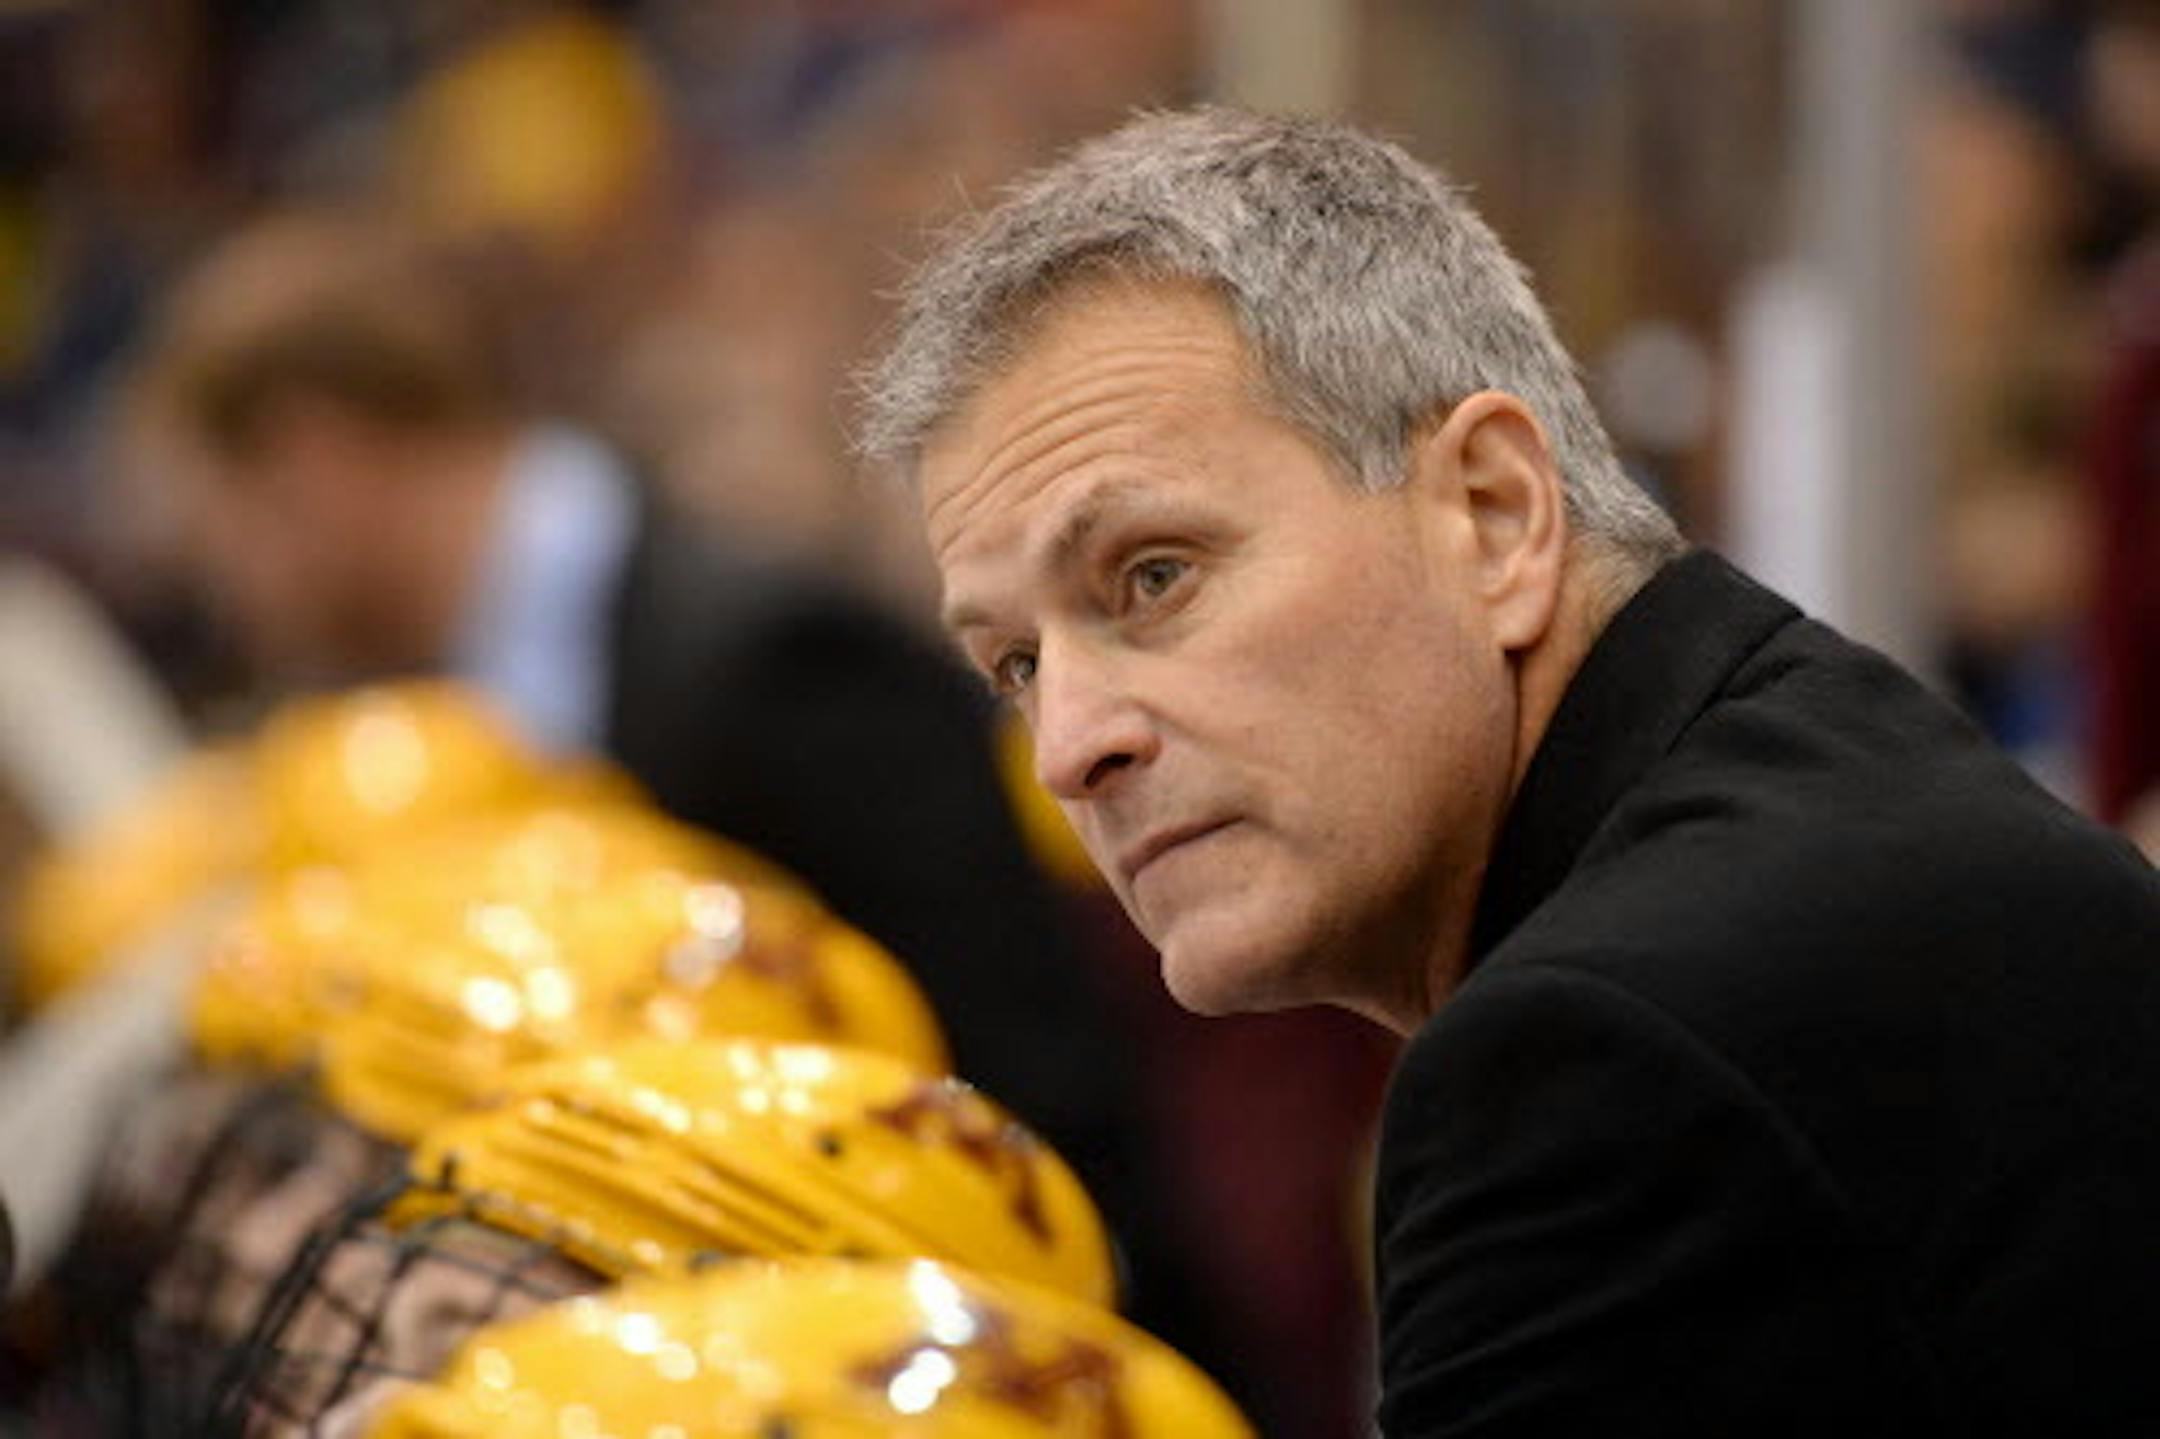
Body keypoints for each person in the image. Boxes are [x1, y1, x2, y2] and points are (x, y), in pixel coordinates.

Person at [858, 105, 2160, 1435]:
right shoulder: (1799, 793)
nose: (1070, 746)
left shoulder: (1602, 1050)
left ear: (1494, 511)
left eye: (1153, 576)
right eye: (1017, 664)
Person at [124, 211, 1213, 1375]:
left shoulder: (777, 655)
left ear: (314, 459)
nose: (224, 591)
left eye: (220, 527)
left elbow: (1027, 1094)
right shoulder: (441, 689)